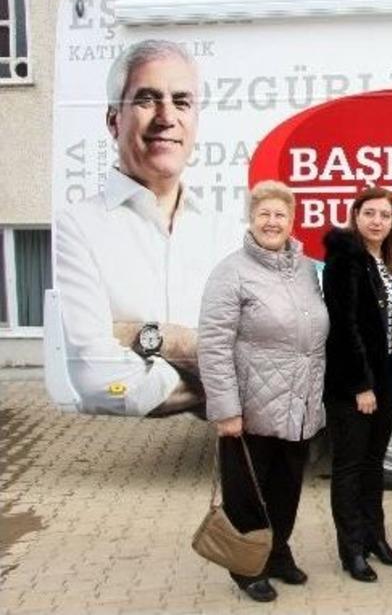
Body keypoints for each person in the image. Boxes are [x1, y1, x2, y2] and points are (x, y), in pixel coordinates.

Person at [54, 38, 227, 416]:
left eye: (181, 102)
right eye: (147, 99)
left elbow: (260, 358)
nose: (167, 117)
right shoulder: (77, 227)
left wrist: (146, 337)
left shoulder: (225, 230)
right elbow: (98, 382)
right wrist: (206, 364)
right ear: (113, 120)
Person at [198, 180, 329, 603]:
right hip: (250, 408)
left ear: (292, 221)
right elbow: (214, 344)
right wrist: (225, 409)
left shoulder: (305, 269)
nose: (272, 222)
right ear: (251, 219)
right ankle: (247, 567)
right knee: (247, 494)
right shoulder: (231, 272)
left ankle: (277, 552)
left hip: (299, 404)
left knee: (286, 489)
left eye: (280, 215)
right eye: (264, 214)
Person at [322, 186, 392, 582]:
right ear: (355, 216)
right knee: (350, 466)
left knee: (374, 464)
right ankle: (352, 550)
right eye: (369, 213)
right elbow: (344, 327)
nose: (377, 221)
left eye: (385, 215)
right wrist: (361, 385)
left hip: (388, 377)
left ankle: (376, 538)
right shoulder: (344, 260)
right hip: (353, 383)